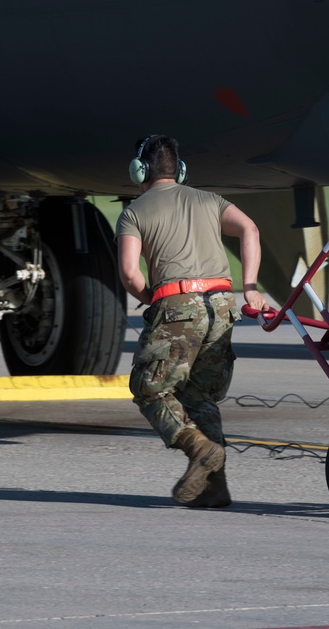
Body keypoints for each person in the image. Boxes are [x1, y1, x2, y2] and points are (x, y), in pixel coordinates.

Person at [116, 134, 269, 508]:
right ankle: (215, 488)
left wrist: (153, 301)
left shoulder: (134, 212)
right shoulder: (210, 200)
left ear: (140, 171)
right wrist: (250, 287)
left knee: (150, 388)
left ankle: (197, 446)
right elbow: (250, 228)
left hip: (177, 304)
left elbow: (128, 273)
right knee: (198, 395)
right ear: (180, 170)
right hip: (222, 305)